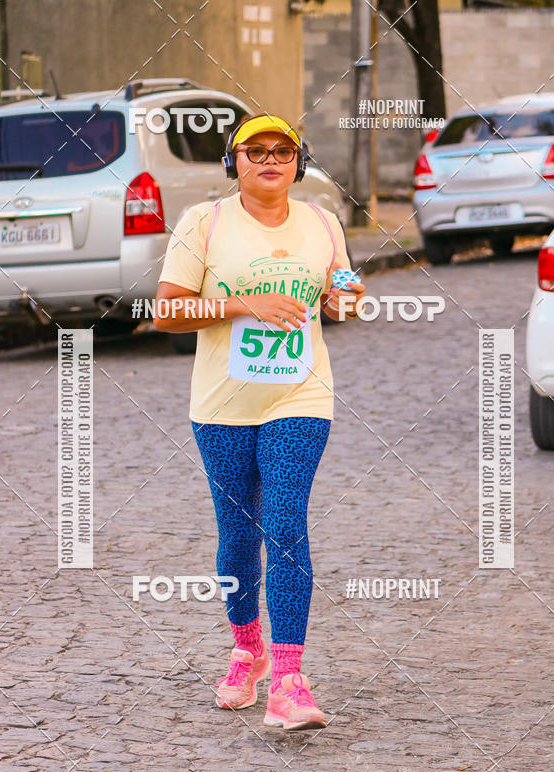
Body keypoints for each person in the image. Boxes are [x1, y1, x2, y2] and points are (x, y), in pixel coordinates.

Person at [154, 113, 365, 731]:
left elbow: (345, 293)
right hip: (221, 404)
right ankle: (246, 649)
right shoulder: (205, 222)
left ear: (298, 163)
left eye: (283, 151)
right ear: (234, 161)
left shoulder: (324, 223)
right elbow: (166, 311)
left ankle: (290, 678)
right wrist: (245, 303)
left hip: (300, 396)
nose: (269, 159)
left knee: (286, 520)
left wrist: (345, 299)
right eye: (255, 150)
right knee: (239, 535)